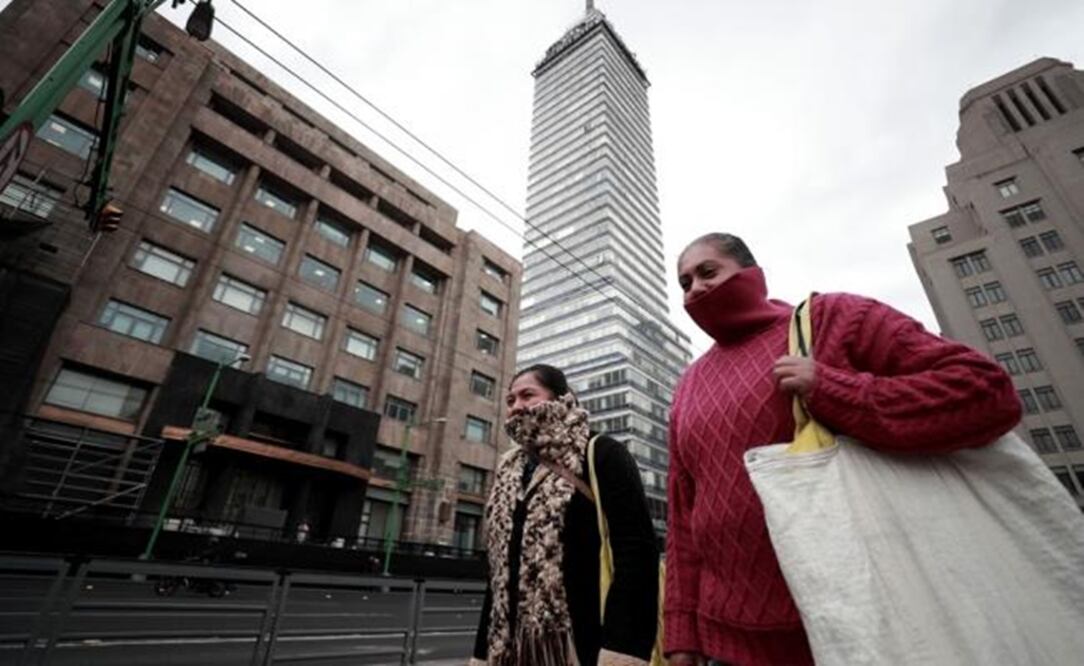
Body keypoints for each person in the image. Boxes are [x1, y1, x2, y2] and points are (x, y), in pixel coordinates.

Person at [665, 233, 1022, 666]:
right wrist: (681, 631)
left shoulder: (832, 319)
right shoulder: (688, 386)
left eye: (708, 272)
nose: (696, 289)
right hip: (728, 646)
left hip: (857, 633)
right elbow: (683, 516)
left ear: (751, 274)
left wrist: (832, 389)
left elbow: (987, 392)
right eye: (685, 282)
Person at [472, 364, 659, 666]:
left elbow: (636, 552)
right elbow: (498, 575)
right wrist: (481, 654)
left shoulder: (601, 454)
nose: (517, 406)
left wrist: (622, 649)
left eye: (527, 395)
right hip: (510, 651)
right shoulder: (508, 471)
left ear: (560, 398)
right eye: (510, 400)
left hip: (587, 646)